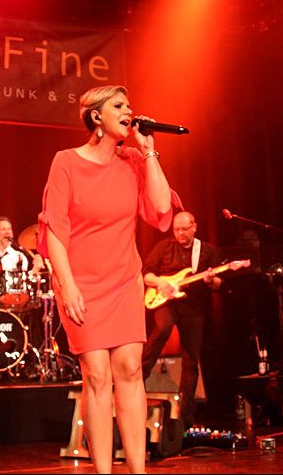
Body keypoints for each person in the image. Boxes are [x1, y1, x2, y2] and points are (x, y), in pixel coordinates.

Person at [37, 85, 180, 473]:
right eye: (119, 106)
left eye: (129, 105)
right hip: (81, 282)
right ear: (96, 116)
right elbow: (55, 229)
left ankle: (137, 470)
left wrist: (148, 151)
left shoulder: (133, 160)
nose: (128, 111)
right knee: (97, 376)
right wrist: (67, 286)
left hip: (123, 279)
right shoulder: (66, 162)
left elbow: (161, 208)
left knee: (131, 370)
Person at [141, 211, 222, 428]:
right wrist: (161, 282)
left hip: (193, 307)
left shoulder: (206, 250)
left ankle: (186, 416)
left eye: (184, 229)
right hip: (166, 301)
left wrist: (211, 280)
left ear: (194, 227)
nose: (180, 233)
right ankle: (140, 374)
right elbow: (146, 274)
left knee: (191, 360)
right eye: (176, 229)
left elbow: (218, 285)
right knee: (163, 327)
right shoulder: (164, 247)